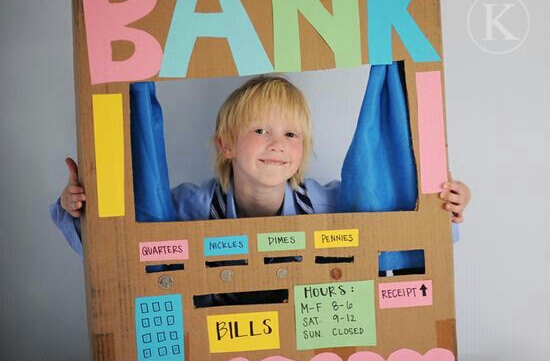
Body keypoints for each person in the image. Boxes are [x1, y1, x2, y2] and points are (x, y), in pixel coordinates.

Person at [51, 75, 471, 267]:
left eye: (291, 134)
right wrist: (78, 206)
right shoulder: (189, 206)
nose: (277, 144)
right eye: (260, 130)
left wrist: (446, 204)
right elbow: (117, 242)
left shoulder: (331, 201)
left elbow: (397, 216)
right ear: (226, 145)